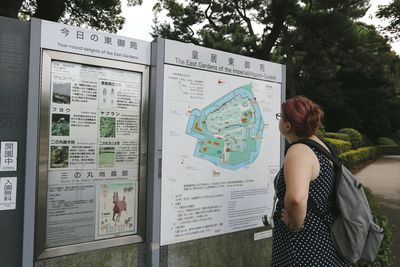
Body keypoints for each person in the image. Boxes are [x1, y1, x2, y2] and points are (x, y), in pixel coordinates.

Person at [271, 96, 350, 267]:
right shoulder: (321, 146)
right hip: (326, 238)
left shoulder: (299, 150)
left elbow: (296, 199)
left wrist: (295, 226)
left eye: (280, 116)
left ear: (287, 125)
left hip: (305, 244)